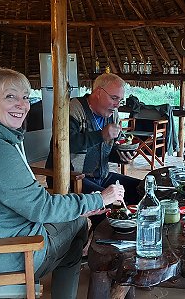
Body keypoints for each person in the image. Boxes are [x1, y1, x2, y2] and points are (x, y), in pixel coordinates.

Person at [0, 66, 124, 299]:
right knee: (77, 225)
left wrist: (84, 205)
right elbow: (42, 208)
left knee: (76, 219)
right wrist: (99, 198)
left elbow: (30, 200)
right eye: (10, 97)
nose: (22, 104)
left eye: (25, 97)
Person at [47, 73, 142, 212]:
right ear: (98, 92)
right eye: (114, 98)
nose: (117, 105)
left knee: (139, 189)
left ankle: (129, 229)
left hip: (101, 175)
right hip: (72, 178)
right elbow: (65, 145)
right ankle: (104, 232)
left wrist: (122, 155)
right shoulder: (72, 109)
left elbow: (107, 150)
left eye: (120, 100)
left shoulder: (112, 114)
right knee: (106, 202)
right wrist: (101, 135)